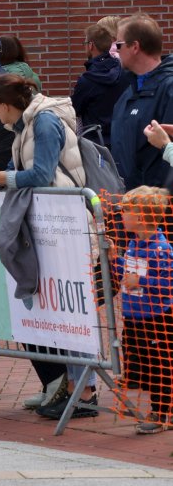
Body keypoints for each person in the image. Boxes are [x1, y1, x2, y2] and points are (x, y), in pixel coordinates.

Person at [0, 74, 90, 419]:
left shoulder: (44, 122)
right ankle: (65, 386)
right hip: (49, 225)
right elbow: (23, 170)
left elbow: (41, 174)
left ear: (5, 105)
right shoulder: (24, 125)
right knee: (50, 308)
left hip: (64, 225)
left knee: (69, 309)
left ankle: (82, 389)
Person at [111, 185, 173, 434]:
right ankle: (158, 409)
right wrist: (114, 259)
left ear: (141, 217)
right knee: (143, 367)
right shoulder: (133, 244)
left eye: (126, 210)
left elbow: (168, 285)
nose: (121, 214)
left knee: (160, 367)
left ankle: (162, 413)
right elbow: (126, 277)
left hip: (156, 319)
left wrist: (142, 281)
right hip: (133, 317)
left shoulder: (161, 249)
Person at [110, 15, 173, 190]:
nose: (115, 51)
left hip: (155, 202)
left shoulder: (168, 90)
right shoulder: (129, 92)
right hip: (129, 200)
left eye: (119, 45)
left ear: (135, 47)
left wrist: (160, 197)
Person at [71, 19, 129, 139]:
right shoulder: (125, 72)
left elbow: (74, 109)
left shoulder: (87, 80)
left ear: (91, 45)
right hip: (121, 138)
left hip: (96, 142)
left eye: (85, 43)